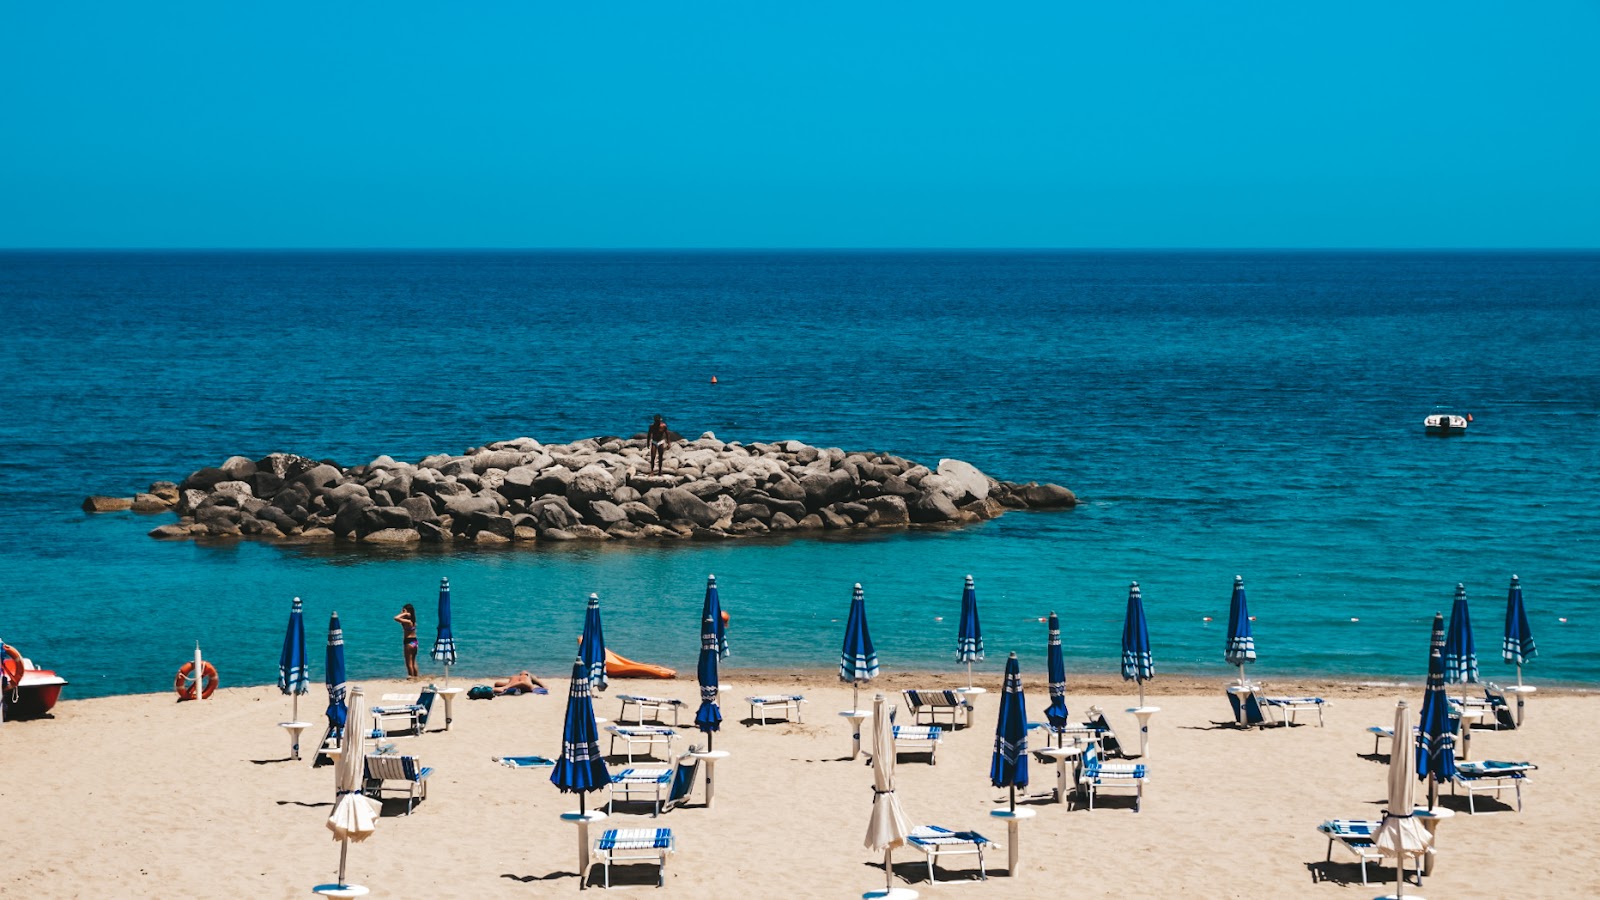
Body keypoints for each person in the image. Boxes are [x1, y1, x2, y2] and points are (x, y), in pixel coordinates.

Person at [394, 603, 419, 678]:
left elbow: (396, 618)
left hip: (408, 641)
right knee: (413, 661)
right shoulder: (413, 621)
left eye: (403, 610)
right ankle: (416, 676)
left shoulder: (408, 622)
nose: (401, 611)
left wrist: (404, 613)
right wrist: (406, 613)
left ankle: (411, 676)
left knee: (409, 662)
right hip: (414, 641)